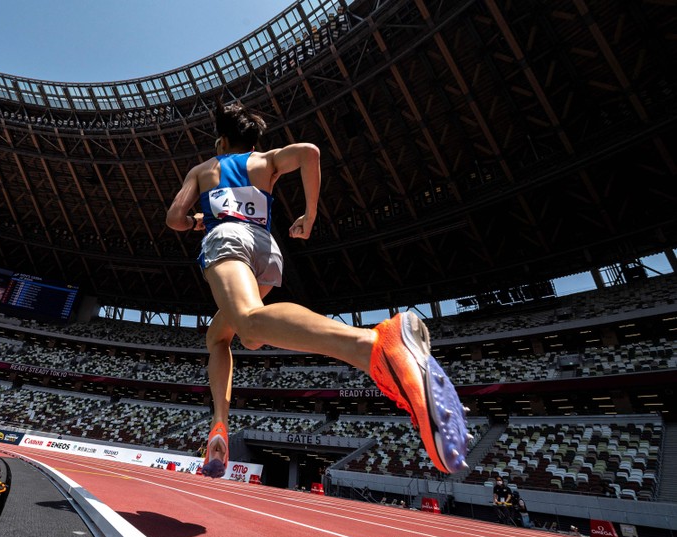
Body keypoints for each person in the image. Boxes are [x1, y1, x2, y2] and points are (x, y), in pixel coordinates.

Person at [166, 100, 470, 478]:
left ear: (222, 140)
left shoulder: (204, 168)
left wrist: (198, 220)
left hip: (226, 236)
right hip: (265, 248)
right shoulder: (264, 161)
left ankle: (371, 345)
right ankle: (220, 425)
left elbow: (174, 218)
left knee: (248, 323)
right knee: (220, 336)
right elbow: (310, 153)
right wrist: (309, 216)